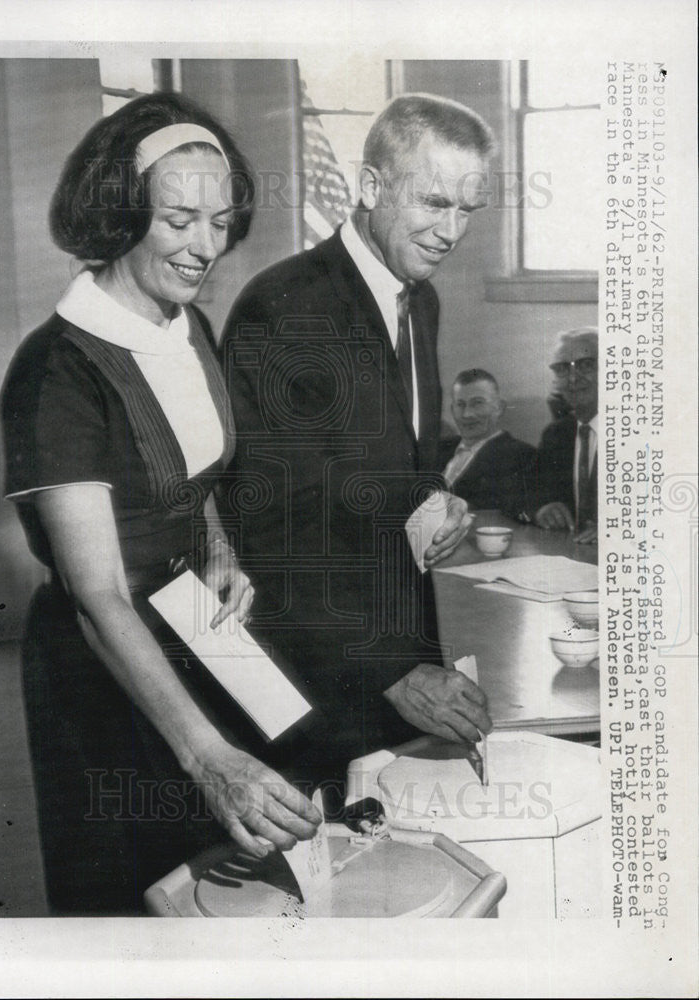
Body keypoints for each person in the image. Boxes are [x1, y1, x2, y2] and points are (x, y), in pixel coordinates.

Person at [0, 92, 321, 915]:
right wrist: (205, 754)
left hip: (195, 619)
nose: (206, 247)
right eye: (179, 219)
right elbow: (97, 593)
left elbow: (191, 474)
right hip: (104, 657)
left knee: (258, 842)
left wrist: (217, 546)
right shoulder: (56, 372)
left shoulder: (189, 328)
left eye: (220, 223)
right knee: (146, 887)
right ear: (120, 212)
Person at [221, 94, 494, 776]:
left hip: (393, 648)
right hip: (309, 669)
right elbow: (271, 523)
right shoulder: (283, 306)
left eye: (467, 209)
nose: (451, 232)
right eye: (434, 203)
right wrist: (393, 672)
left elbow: (401, 450)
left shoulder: (417, 297)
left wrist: (435, 496)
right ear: (370, 186)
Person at [437, 368, 537, 520]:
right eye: (460, 404)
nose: (466, 414)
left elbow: (507, 509)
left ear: (499, 408)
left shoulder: (521, 455)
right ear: (452, 409)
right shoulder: (437, 448)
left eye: (477, 403)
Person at [533, 327, 599, 544]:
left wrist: (626, 529)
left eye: (586, 364)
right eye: (562, 369)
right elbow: (527, 491)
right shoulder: (556, 434)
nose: (572, 378)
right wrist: (542, 508)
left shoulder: (645, 433)